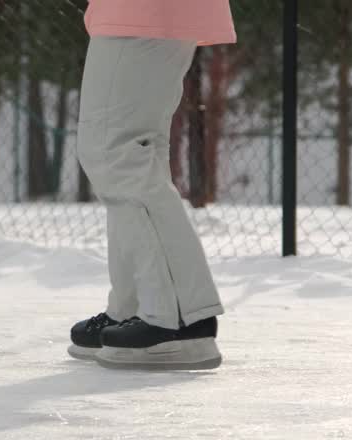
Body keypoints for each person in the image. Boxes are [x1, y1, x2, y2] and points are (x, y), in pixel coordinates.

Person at [67, 0, 234, 371]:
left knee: (117, 154)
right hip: (140, 12)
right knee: (131, 155)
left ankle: (178, 317)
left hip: (145, 10)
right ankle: (138, 305)